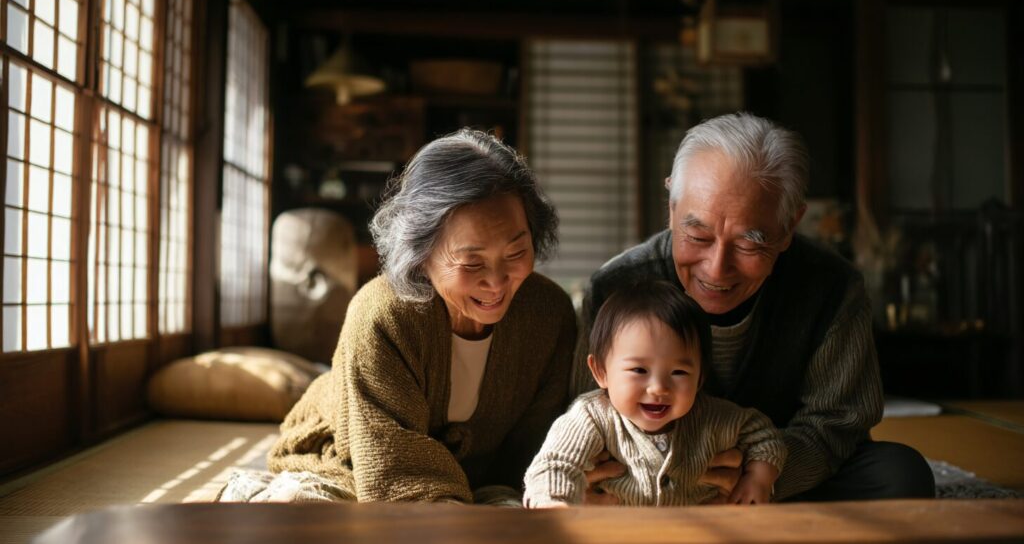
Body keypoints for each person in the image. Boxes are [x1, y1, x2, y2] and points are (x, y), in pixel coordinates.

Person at [573, 113, 935, 502]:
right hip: (649, 479)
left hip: (775, 472)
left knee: (901, 474)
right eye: (697, 235)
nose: (716, 268)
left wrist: (758, 474)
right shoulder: (617, 286)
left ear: (789, 226)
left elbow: (838, 422)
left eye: (749, 244)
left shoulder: (831, 287)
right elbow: (585, 412)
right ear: (672, 208)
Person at [266, 129, 577, 503]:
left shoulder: (549, 313)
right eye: (471, 261)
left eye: (516, 253)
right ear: (421, 251)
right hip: (350, 464)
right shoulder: (383, 315)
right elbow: (392, 469)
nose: (496, 281)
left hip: (485, 483)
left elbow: (537, 444)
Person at [523, 280, 786, 507]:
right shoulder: (592, 417)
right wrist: (553, 502)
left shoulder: (716, 417)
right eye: (639, 370)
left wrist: (759, 477)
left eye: (679, 373)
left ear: (700, 377)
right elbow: (556, 463)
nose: (659, 388)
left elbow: (765, 437)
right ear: (601, 371)